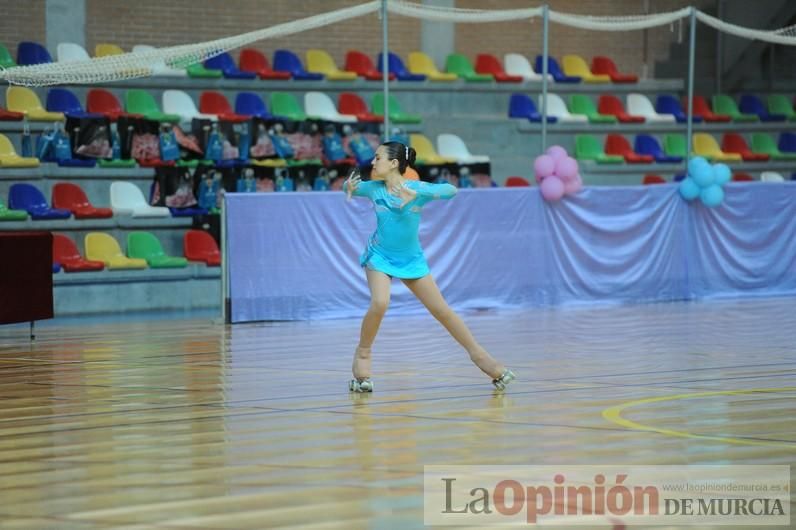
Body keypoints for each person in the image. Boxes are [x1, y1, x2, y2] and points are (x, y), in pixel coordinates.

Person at [344, 141, 515, 393]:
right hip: (379, 256)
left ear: (393, 163)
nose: (372, 162)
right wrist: (349, 188)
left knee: (441, 310)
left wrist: (418, 194)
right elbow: (354, 190)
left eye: (377, 158)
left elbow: (451, 190)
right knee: (380, 303)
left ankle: (481, 357)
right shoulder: (374, 189)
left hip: (411, 260)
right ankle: (363, 355)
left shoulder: (416, 188)